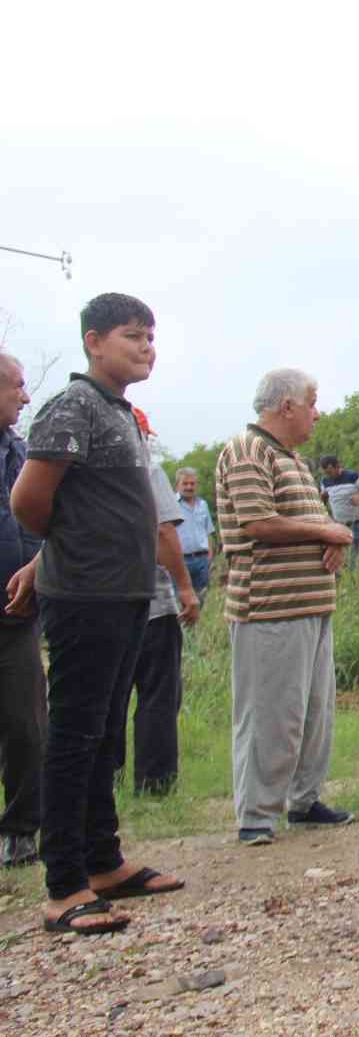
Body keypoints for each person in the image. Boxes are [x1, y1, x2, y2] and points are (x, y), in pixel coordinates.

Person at [11, 293, 185, 935]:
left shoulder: (121, 413)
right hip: (85, 595)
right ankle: (63, 885)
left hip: (125, 594)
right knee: (75, 735)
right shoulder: (73, 406)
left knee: (106, 734)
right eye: (134, 336)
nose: (147, 347)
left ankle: (104, 862)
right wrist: (58, 556)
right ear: (94, 341)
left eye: (151, 336)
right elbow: (30, 500)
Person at [216, 369, 356, 846]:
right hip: (270, 607)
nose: (318, 413)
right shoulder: (246, 450)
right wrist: (325, 533)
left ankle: (303, 801)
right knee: (270, 713)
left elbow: (312, 519)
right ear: (287, 406)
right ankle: (256, 814)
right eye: (312, 403)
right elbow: (257, 521)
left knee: (314, 712)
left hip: (312, 604)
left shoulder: (292, 458)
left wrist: (332, 539)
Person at [108, 409, 200, 798]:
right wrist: (185, 588)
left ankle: (104, 782)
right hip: (152, 603)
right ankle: (155, 783)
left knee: (107, 697)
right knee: (158, 695)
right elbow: (164, 530)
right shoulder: (147, 468)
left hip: (100, 601)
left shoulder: (85, 471)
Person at [0, 353, 45, 869]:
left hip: (16, 615)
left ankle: (20, 829)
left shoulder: (22, 452)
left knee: (26, 724)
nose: (26, 397)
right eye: (18, 386)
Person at [318, 455, 359, 568]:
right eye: (326, 472)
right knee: (338, 550)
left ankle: (353, 575)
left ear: (337, 466)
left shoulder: (353, 476)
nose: (328, 475)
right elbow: (324, 496)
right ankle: (345, 573)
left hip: (358, 520)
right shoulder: (325, 481)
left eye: (330, 472)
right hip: (339, 522)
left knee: (354, 548)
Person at [173, 467, 214, 604]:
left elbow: (208, 531)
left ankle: (197, 626)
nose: (189, 487)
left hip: (202, 561)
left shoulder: (203, 505)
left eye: (192, 483)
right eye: (185, 483)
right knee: (181, 601)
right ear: (177, 485)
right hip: (180, 562)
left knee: (201, 600)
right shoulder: (171, 505)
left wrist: (209, 557)